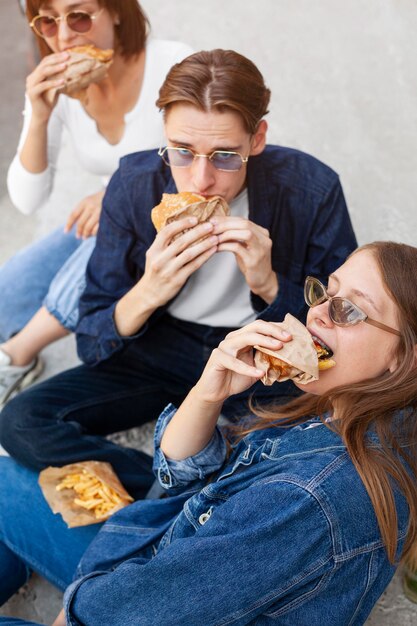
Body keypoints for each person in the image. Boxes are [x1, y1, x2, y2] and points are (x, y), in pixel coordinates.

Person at [0, 49, 357, 499]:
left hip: (257, 359)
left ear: (257, 139)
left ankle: (212, 487)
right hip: (159, 348)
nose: (200, 179)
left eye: (225, 156)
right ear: (164, 136)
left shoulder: (312, 187)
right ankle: (186, 486)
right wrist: (150, 289)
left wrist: (268, 283)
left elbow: (339, 336)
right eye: (182, 152)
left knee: (333, 453)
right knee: (21, 422)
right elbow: (92, 341)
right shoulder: (134, 184)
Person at [1, 241, 417, 625]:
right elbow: (189, 477)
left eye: (349, 310)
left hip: (141, 584)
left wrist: (74, 613)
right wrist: (207, 392)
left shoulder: (310, 497)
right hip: (160, 540)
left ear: (401, 358)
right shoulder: (337, 412)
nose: (319, 312)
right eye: (325, 292)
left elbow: (125, 614)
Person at [0, 0, 192, 403]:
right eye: (48, 22)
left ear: (117, 12)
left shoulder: (176, 64)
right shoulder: (63, 90)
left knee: (99, 247)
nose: (66, 35)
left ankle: (16, 357)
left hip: (174, 226)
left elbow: (210, 159)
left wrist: (113, 193)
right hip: (109, 219)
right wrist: (38, 114)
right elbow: (27, 199)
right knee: (7, 294)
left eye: (80, 16)